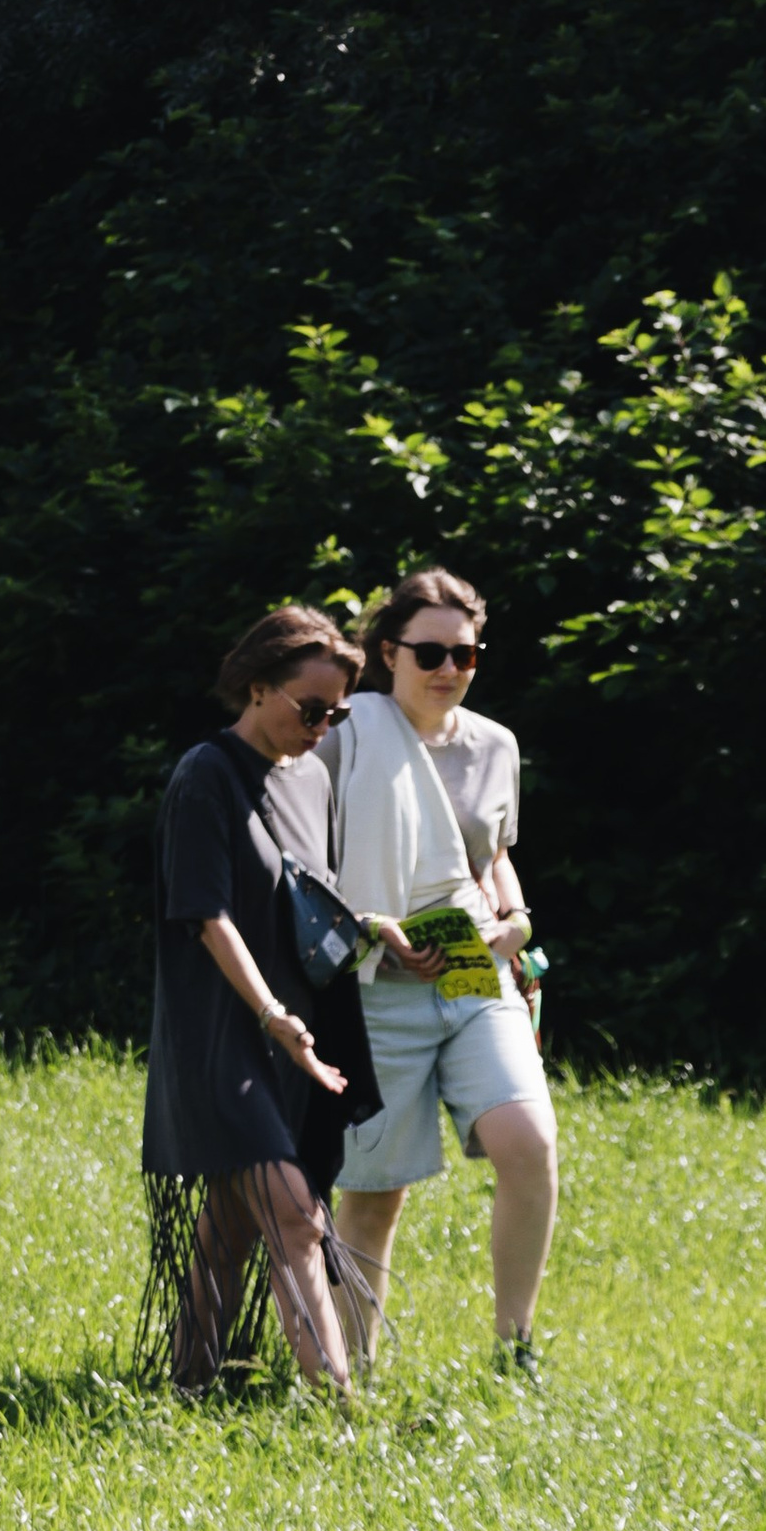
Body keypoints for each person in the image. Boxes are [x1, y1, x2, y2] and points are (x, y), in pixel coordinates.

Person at [140, 607, 383, 1398]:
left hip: (298, 1035)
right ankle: (338, 1414)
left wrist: (372, 930)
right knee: (295, 1213)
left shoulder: (313, 780)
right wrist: (272, 1015)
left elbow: (308, 899)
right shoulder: (206, 775)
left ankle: (188, 1386)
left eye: (336, 713)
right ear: (257, 688)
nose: (321, 727)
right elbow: (206, 915)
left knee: (232, 1227)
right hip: (222, 1034)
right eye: (309, 708)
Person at [320, 566, 557, 1376]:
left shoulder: (494, 745)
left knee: (529, 1142)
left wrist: (517, 922)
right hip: (376, 978)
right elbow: (305, 860)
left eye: (467, 654)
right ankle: (348, 1374)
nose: (449, 670)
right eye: (430, 653)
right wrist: (371, 928)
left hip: (469, 969)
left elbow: (493, 862)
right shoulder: (346, 730)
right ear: (388, 653)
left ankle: (515, 1347)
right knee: (377, 1194)